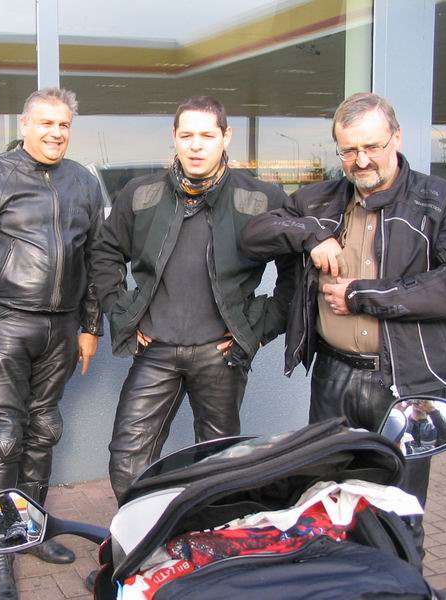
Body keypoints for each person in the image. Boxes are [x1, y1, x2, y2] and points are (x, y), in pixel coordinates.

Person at [241, 91, 446, 552]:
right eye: (349, 150)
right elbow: (254, 235)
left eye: (372, 146)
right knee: (329, 502)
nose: (361, 160)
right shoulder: (317, 200)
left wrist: (362, 296)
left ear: (396, 138)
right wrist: (312, 234)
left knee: (400, 513)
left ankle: (398, 580)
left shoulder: (443, 199)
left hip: (407, 382)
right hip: (334, 376)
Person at [0, 87, 103, 600]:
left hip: (62, 327)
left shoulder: (83, 181)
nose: (55, 133)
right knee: (4, 439)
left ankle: (28, 533)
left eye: (64, 125)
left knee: (43, 431)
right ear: (25, 124)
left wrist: (90, 326)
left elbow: (97, 258)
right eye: (45, 123)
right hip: (4, 324)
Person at [92, 95, 295, 502]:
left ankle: (207, 534)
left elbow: (295, 271)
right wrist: (122, 312)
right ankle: (147, 534)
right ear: (174, 137)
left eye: (207, 135)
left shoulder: (262, 199)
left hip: (220, 355)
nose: (196, 145)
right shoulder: (142, 193)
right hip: (156, 350)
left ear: (226, 137)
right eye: (187, 135)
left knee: (219, 463)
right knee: (127, 458)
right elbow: (105, 251)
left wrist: (257, 329)